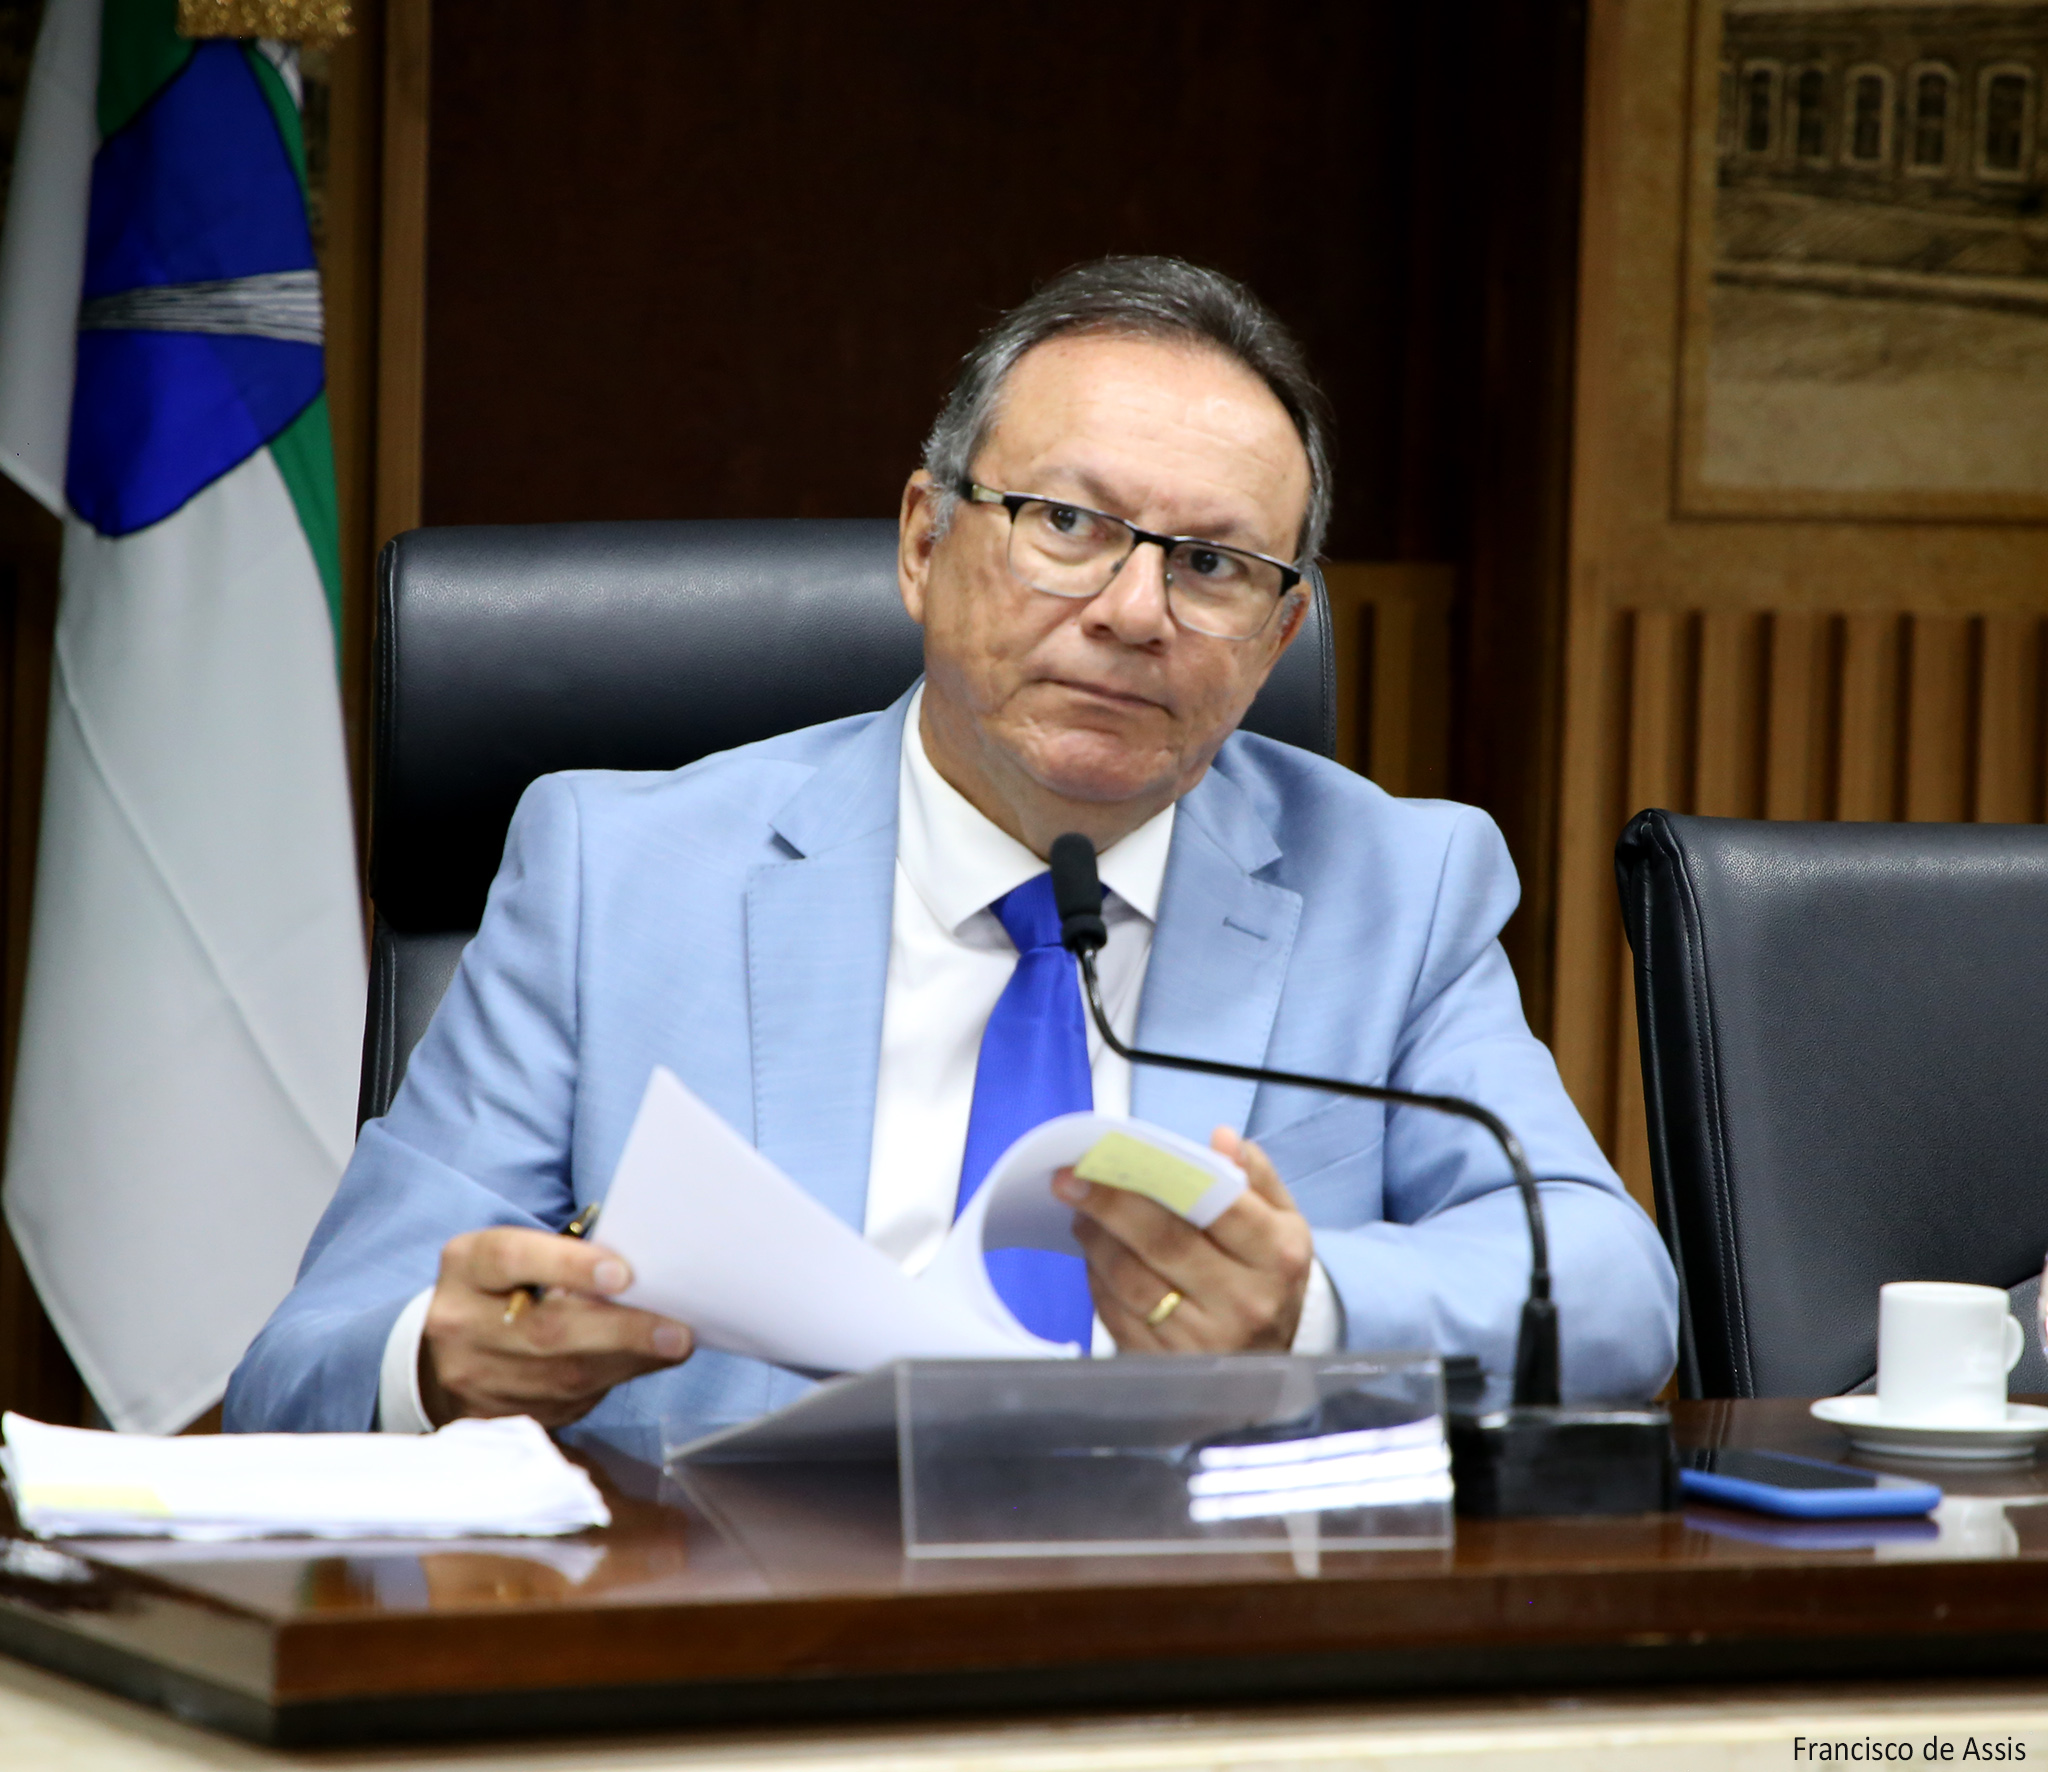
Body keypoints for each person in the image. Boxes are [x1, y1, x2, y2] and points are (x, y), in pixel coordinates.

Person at [224, 257, 1677, 1441]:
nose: (1134, 611)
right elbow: (305, 1365)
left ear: (1280, 630)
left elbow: (1615, 1292)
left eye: (1213, 565)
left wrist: (1308, 1311)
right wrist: (443, 1363)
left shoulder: (1395, 886)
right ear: (925, 541)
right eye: (1068, 523)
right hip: (727, 1623)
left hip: (1197, 1632)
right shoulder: (619, 875)